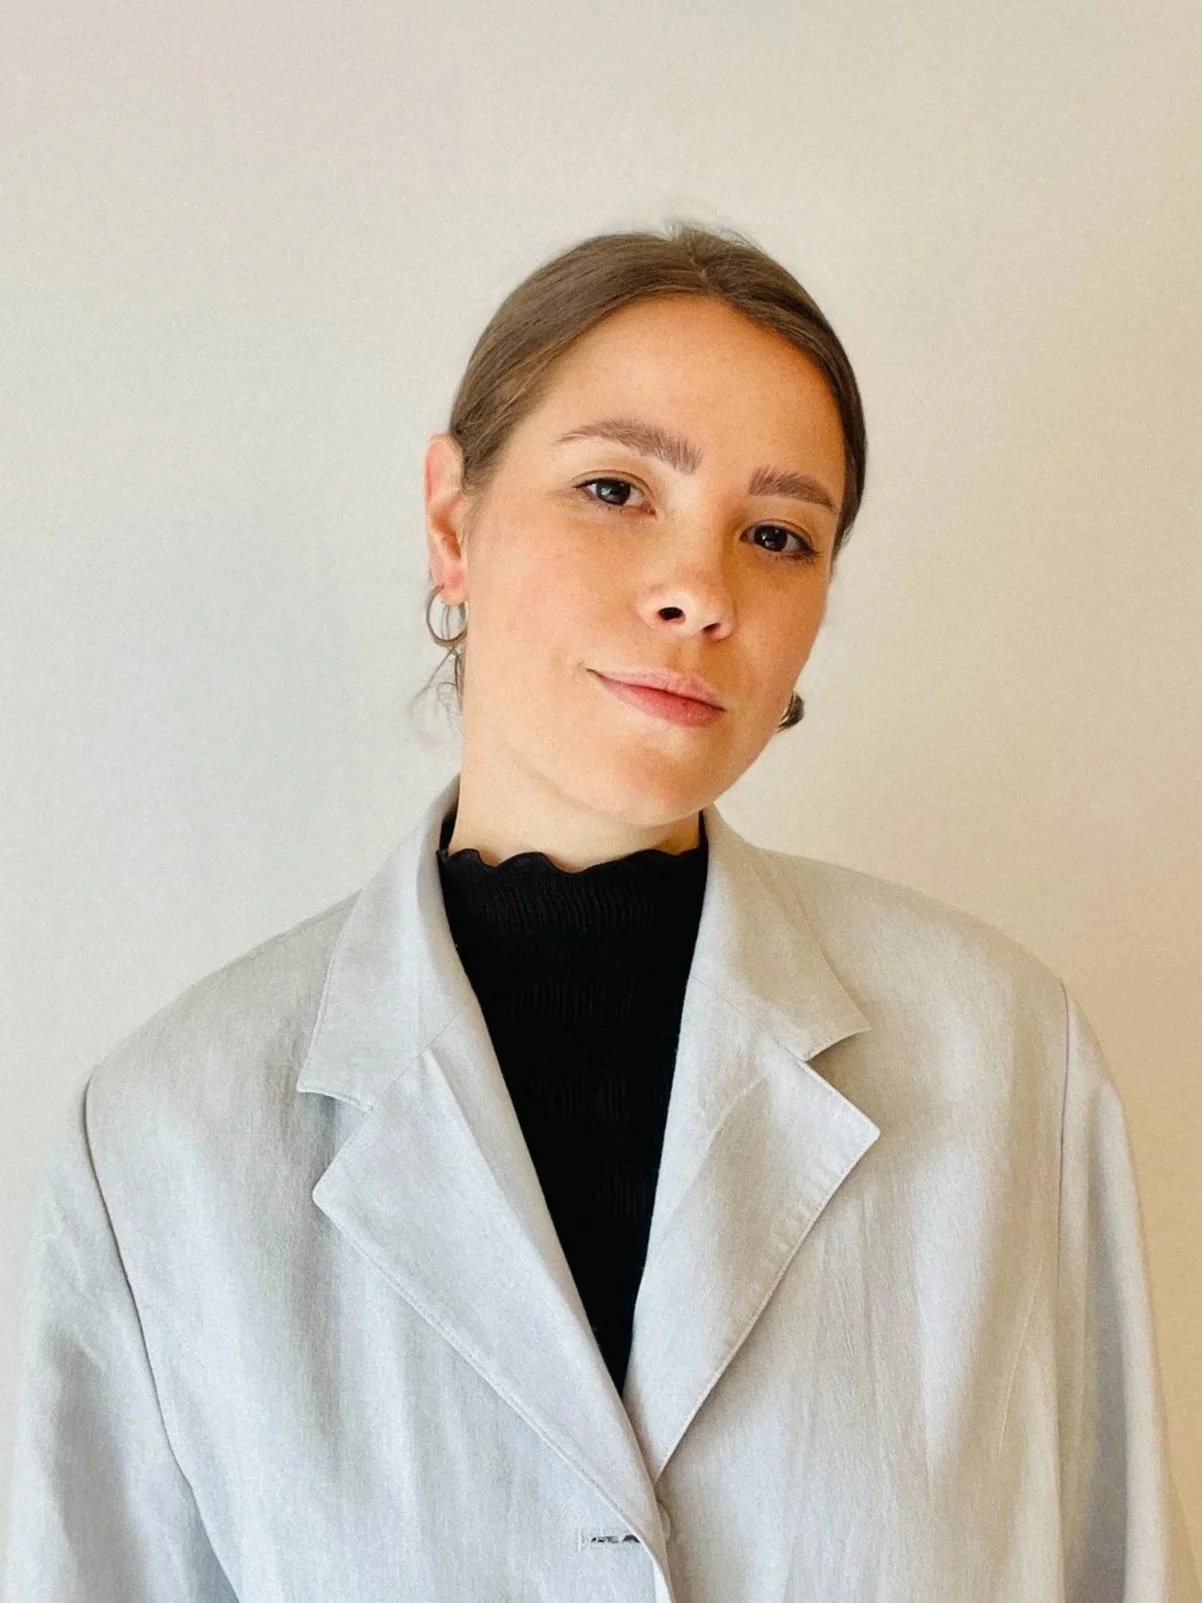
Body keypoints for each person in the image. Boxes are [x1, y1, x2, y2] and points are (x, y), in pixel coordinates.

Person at [3, 223, 1197, 1603]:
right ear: (451, 520)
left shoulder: (1004, 1059)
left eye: (776, 534)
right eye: (616, 488)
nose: (700, 591)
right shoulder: (166, 1137)